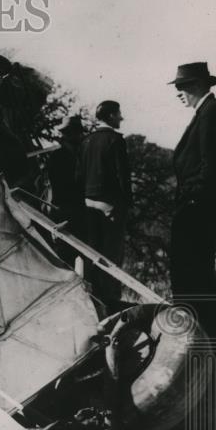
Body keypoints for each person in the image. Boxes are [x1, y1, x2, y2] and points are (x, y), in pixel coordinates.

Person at [167, 62, 216, 336]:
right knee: (191, 274)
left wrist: (193, 201)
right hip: (195, 206)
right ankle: (197, 337)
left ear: (196, 85)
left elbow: (211, 166)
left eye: (181, 86)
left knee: (192, 274)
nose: (178, 92)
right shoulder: (205, 113)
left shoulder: (212, 113)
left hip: (197, 208)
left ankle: (202, 338)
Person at [76, 100, 131, 306]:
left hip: (88, 207)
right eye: (118, 114)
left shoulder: (86, 141)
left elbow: (79, 177)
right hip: (111, 209)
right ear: (110, 116)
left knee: (92, 256)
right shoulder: (116, 141)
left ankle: (94, 303)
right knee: (112, 258)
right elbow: (122, 178)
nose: (121, 118)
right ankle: (111, 304)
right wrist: (125, 206)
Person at [45, 114, 86, 241]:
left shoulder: (81, 155)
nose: (80, 136)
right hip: (64, 212)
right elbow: (61, 188)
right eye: (74, 133)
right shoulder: (58, 157)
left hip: (79, 213)